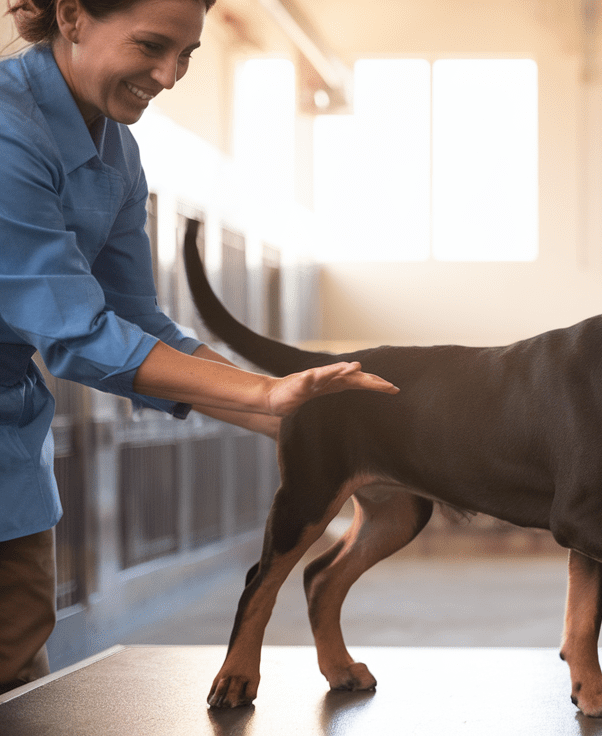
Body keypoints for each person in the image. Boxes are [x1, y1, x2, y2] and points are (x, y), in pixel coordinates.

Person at [0, 0, 398, 693]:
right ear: (71, 16)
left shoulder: (117, 150)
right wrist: (267, 392)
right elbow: (77, 331)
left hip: (11, 431)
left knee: (16, 661)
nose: (170, 74)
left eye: (186, 54)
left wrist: (319, 424)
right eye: (152, 46)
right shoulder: (8, 131)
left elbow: (140, 324)